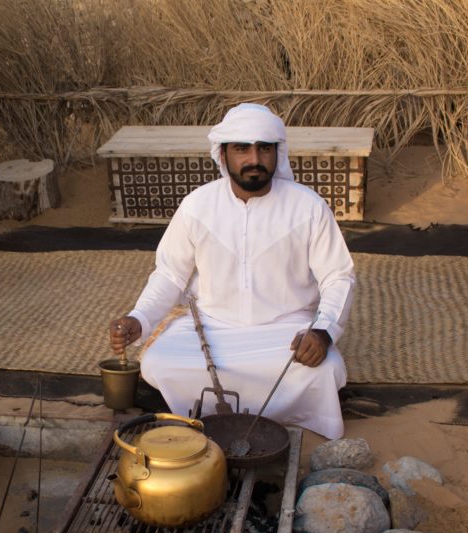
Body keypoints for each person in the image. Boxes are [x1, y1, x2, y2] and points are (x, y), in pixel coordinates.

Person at [108, 103, 355, 439]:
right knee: (158, 361)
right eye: (241, 148)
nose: (254, 159)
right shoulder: (197, 205)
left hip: (284, 333)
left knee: (326, 370)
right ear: (223, 155)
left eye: (263, 148)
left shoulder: (308, 207)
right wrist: (141, 317)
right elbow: (170, 274)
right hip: (211, 331)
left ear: (276, 154)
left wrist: (323, 331)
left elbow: (338, 275)